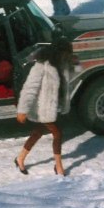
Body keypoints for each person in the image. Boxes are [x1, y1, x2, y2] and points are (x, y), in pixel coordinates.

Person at [14, 39, 75, 176]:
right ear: (58, 52)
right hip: (44, 108)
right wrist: (23, 110)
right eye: (66, 53)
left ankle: (20, 158)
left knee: (38, 132)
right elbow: (30, 88)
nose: (67, 56)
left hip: (55, 107)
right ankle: (59, 167)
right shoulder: (42, 65)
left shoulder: (64, 64)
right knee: (57, 134)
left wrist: (75, 64)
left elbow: (70, 80)